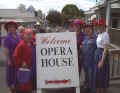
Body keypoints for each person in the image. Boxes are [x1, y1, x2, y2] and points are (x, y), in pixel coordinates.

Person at [13, 28, 36, 93]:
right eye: (27, 34)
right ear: (23, 35)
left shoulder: (32, 44)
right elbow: (15, 56)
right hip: (24, 69)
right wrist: (21, 62)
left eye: (30, 34)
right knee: (23, 86)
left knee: (30, 84)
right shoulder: (21, 45)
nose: (29, 36)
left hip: (32, 68)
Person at [2, 21, 21, 93]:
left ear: (15, 28)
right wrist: (8, 60)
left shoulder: (18, 35)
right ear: (7, 29)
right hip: (11, 59)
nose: (11, 28)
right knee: (11, 76)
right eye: (9, 27)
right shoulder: (7, 37)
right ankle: (11, 90)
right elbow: (5, 50)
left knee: (18, 75)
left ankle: (16, 89)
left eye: (12, 27)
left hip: (18, 59)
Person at [95, 18, 110, 93]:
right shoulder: (99, 34)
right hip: (98, 54)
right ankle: (98, 90)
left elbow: (105, 49)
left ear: (104, 26)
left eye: (101, 25)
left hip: (102, 55)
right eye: (98, 25)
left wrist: (101, 61)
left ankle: (104, 91)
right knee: (98, 75)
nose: (99, 27)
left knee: (102, 75)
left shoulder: (105, 35)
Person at [82, 24, 97, 93]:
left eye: (88, 28)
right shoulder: (85, 37)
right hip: (85, 61)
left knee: (92, 76)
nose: (87, 30)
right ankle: (87, 87)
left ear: (92, 29)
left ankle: (93, 90)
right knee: (86, 75)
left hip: (92, 61)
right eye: (85, 29)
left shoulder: (96, 37)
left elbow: (101, 49)